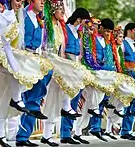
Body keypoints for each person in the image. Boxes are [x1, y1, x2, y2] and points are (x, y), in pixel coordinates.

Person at [41, 1, 95, 146]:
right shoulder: (64, 28)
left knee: (71, 98)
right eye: (86, 21)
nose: (87, 24)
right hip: (61, 64)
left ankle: (67, 133)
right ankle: (50, 134)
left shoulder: (78, 32)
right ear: (80, 18)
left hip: (71, 64)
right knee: (54, 99)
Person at [15, 0, 54, 146]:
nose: (43, 2)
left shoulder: (39, 19)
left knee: (47, 72)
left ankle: (23, 137)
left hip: (34, 57)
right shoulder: (22, 14)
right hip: (21, 56)